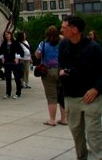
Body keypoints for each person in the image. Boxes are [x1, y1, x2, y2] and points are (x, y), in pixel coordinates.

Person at [59, 15, 102, 159]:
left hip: (91, 98)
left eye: (64, 28)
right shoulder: (63, 45)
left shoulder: (94, 48)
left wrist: (96, 89)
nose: (61, 30)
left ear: (75, 29)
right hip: (71, 96)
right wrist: (62, 72)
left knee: (94, 134)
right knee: (76, 133)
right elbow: (61, 65)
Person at [35, 25, 67, 126]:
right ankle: (64, 119)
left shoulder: (43, 44)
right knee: (62, 95)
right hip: (61, 70)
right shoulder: (62, 43)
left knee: (51, 97)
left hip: (48, 71)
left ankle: (52, 120)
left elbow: (37, 55)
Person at [0, 30, 22, 99]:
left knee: (17, 78)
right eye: (6, 34)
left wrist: (17, 58)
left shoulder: (15, 42)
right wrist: (2, 57)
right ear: (4, 36)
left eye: (8, 34)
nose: (7, 36)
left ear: (11, 35)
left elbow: (20, 51)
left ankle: (18, 93)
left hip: (14, 63)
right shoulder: (4, 43)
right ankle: (8, 93)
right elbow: (1, 51)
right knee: (8, 79)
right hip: (7, 63)